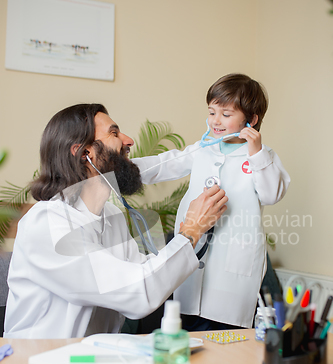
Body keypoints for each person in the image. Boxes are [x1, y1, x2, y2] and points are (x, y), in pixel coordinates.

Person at [4, 104, 228, 339]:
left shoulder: (111, 215)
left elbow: (142, 273)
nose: (128, 141)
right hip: (37, 363)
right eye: (114, 133)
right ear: (84, 154)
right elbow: (138, 294)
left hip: (93, 359)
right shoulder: (48, 224)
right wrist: (190, 231)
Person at [133, 74, 291, 331]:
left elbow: (272, 194)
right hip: (193, 265)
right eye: (212, 112)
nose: (216, 121)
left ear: (251, 120)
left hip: (233, 271)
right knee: (186, 332)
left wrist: (257, 153)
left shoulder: (263, 157)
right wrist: (120, 169)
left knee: (224, 336)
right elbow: (165, 164)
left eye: (226, 114)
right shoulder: (203, 149)